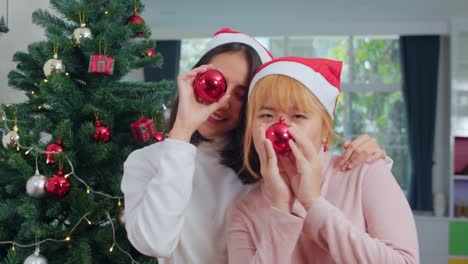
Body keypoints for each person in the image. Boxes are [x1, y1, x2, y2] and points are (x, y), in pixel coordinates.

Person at [121, 29, 389, 264]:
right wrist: (181, 133)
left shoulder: (266, 163)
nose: (223, 102)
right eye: (216, 84)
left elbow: (322, 177)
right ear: (194, 79)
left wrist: (368, 158)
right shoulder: (147, 161)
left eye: (240, 95)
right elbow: (153, 242)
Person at [227, 57, 419, 264]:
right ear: (251, 129)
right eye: (266, 115)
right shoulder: (244, 212)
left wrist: (313, 203)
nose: (281, 127)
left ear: (325, 132)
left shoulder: (365, 172)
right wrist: (281, 207)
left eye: (298, 116)